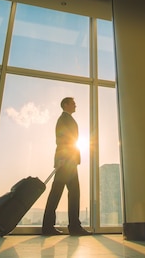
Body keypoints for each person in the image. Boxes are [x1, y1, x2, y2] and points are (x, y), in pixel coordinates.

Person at [41, 97, 91, 236]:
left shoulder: (66, 119)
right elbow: (62, 140)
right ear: (65, 105)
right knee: (64, 193)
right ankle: (71, 227)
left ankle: (52, 226)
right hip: (66, 162)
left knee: (65, 193)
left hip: (69, 161)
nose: (76, 105)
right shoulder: (63, 119)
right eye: (73, 103)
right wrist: (62, 159)